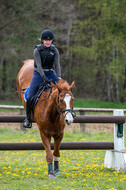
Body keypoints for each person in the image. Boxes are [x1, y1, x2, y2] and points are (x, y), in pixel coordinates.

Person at [23, 29, 61, 128]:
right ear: (42, 41)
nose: (47, 42)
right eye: (45, 40)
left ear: (52, 41)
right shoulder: (37, 50)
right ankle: (28, 119)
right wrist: (44, 77)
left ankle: (68, 113)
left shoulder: (54, 50)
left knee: (64, 92)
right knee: (30, 97)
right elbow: (39, 66)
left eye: (49, 40)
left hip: (50, 73)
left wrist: (59, 77)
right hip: (38, 74)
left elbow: (57, 65)